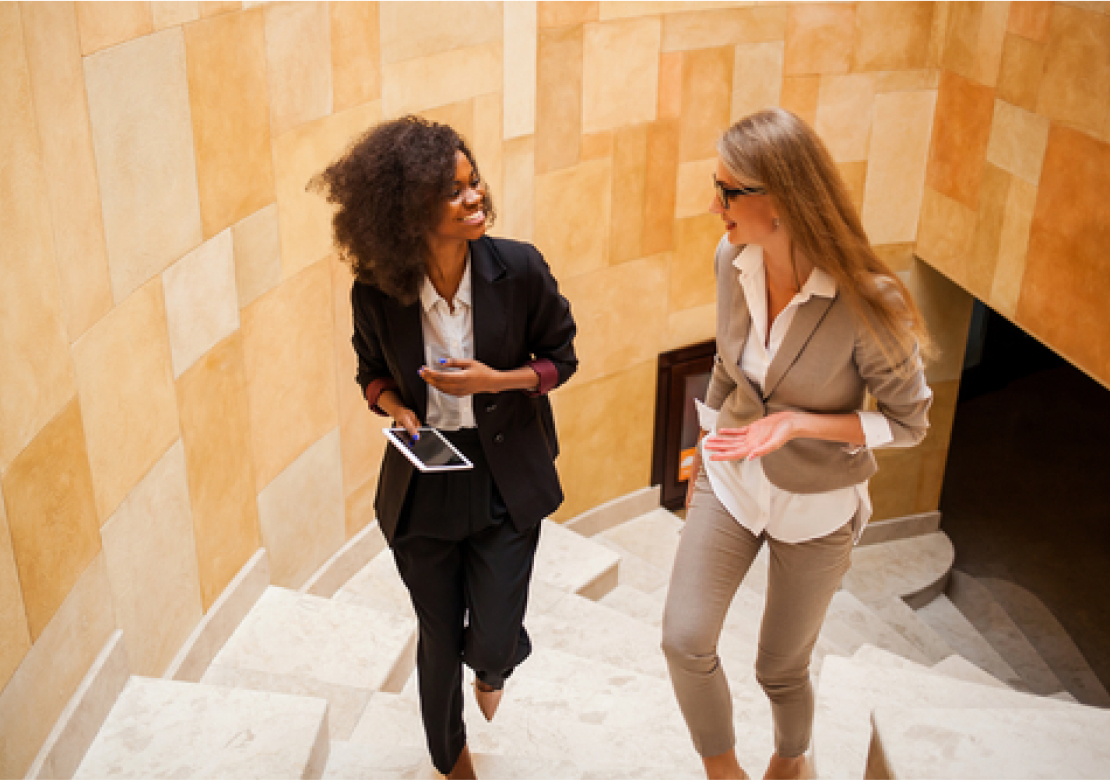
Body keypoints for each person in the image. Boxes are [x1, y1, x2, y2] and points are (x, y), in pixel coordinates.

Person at [660, 108, 933, 780]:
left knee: (780, 667)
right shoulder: (732, 259)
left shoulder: (869, 302)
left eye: (727, 190)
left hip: (816, 505)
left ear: (776, 200)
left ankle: (792, 759)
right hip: (730, 482)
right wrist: (702, 459)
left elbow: (908, 422)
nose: (713, 203)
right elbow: (726, 368)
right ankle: (723, 769)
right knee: (683, 640)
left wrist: (801, 423)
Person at [314, 117, 577, 780]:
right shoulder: (376, 292)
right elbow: (369, 373)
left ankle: (496, 660)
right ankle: (451, 762)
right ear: (409, 215)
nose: (474, 196)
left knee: (490, 637)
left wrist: (501, 380)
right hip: (423, 485)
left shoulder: (518, 269)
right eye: (453, 191)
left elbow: (560, 359)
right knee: (437, 636)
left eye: (474, 180)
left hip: (504, 479)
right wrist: (397, 407)